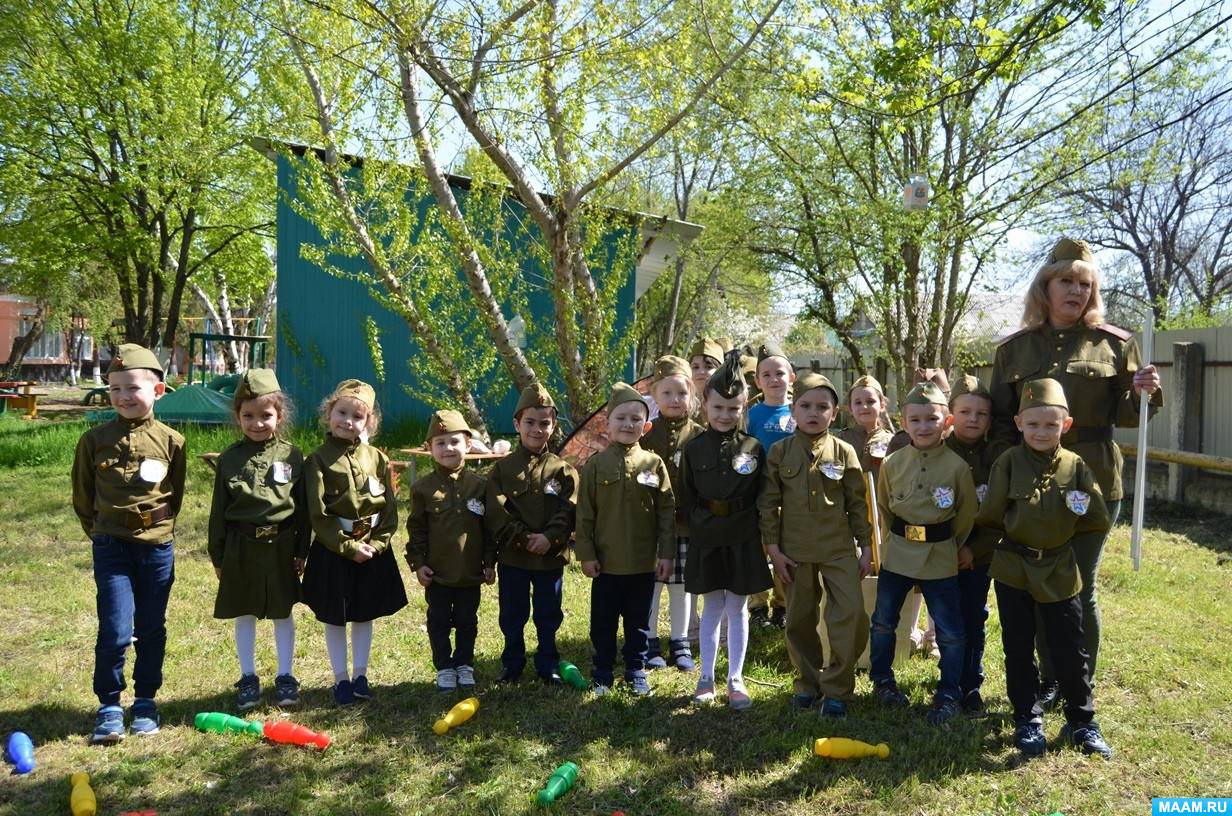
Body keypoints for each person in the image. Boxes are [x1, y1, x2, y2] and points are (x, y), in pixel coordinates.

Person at [989, 237, 1161, 704]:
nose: (1076, 291)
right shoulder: (1014, 350)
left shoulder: (1116, 344)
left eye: (1084, 284)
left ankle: (1076, 683)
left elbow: (1131, 418)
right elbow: (1000, 422)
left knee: (1075, 588)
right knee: (1038, 584)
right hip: (1028, 484)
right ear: (1045, 287)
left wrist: (1144, 391)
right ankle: (1047, 680)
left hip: (1094, 480)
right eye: (1066, 281)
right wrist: (1003, 479)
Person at [970, 378, 1113, 758]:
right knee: (1018, 648)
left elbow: (1096, 517)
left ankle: (1082, 721)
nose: (1041, 432)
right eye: (1033, 424)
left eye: (1051, 425)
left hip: (1060, 567)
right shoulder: (1008, 463)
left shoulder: (1076, 466)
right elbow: (991, 516)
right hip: (1014, 568)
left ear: (1066, 426)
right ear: (1018, 423)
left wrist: (1058, 535)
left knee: (1069, 647)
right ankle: (1027, 719)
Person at [72, 343, 186, 743]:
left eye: (132, 388)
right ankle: (108, 705)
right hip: (111, 547)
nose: (123, 396)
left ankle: (145, 701)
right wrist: (103, 532)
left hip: (156, 547)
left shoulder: (173, 441)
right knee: (116, 629)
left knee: (152, 627)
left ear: (157, 391)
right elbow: (83, 498)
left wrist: (157, 530)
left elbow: (176, 495)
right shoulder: (94, 440)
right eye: (115, 388)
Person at [759, 371, 872, 719]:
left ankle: (837, 687)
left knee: (851, 614)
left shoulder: (844, 450)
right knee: (798, 620)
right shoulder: (779, 452)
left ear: (835, 414)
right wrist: (773, 549)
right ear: (793, 410)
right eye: (805, 405)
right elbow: (768, 504)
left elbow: (857, 502)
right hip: (794, 552)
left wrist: (866, 546)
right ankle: (807, 684)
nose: (813, 412)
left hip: (838, 549)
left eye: (822, 407)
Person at [870, 381, 977, 726]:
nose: (923, 426)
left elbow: (965, 514)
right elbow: (885, 506)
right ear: (903, 423)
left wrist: (951, 544)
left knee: (950, 629)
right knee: (884, 621)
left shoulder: (957, 468)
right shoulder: (893, 462)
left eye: (932, 419)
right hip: (899, 552)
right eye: (915, 420)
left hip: (940, 554)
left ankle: (949, 692)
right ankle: (883, 682)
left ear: (947, 422)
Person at [208, 369, 310, 710]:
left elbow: (303, 510)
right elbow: (218, 511)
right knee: (245, 612)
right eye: (248, 416)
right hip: (241, 547)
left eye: (265, 415)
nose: (257, 423)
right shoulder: (228, 459)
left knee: (283, 612)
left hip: (281, 547)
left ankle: (285, 676)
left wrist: (301, 549)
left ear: (279, 416)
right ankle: (248, 677)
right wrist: (218, 557)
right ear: (238, 416)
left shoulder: (293, 456)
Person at [301, 379, 407, 705]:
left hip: (372, 549)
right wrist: (346, 546)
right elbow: (318, 515)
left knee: (364, 612)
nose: (348, 421)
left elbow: (389, 510)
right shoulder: (317, 460)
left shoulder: (377, 458)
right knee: (335, 615)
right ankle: (340, 679)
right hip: (335, 550)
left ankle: (360, 675)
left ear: (368, 423)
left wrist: (376, 544)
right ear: (328, 413)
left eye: (357, 417)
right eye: (341, 412)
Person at [679, 352, 772, 709]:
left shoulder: (753, 447)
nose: (725, 415)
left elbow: (761, 493)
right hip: (707, 535)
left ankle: (736, 678)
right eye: (718, 408)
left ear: (744, 407)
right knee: (712, 606)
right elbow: (687, 495)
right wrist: (698, 525)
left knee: (738, 608)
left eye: (733, 409)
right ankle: (707, 677)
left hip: (742, 535)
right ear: (704, 405)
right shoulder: (693, 449)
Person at [575, 382, 676, 696]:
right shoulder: (594, 466)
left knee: (638, 624)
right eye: (621, 418)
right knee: (602, 624)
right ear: (607, 424)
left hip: (642, 563)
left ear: (646, 427)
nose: (628, 424)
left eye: (635, 419)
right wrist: (586, 554)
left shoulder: (653, 464)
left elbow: (666, 511)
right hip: (606, 564)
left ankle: (635, 669)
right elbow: (585, 514)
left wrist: (666, 554)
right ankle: (603, 673)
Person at [485, 383, 578, 686]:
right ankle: (512, 664)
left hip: (549, 558)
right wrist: (525, 539)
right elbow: (497, 510)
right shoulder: (502, 470)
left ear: (553, 426)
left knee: (548, 613)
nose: (537, 429)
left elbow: (569, 508)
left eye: (544, 423)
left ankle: (547, 662)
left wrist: (549, 538)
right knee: (512, 613)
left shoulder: (563, 470)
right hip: (514, 557)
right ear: (516, 424)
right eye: (530, 422)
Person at [407, 409, 497, 693]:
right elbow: (416, 530)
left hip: (470, 572)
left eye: (455, 442)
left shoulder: (480, 486)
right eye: (440, 442)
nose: (448, 448)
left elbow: (490, 529)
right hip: (439, 573)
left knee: (468, 621)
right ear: (429, 449)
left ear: (468, 445)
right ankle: (444, 667)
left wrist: (490, 563)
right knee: (438, 621)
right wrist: (418, 564)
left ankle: (464, 664)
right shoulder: (422, 488)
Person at [641, 355, 704, 671]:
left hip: (686, 525)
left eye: (682, 393)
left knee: (681, 585)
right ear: (654, 395)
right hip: (651, 525)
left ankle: (680, 643)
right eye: (667, 393)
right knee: (652, 583)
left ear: (691, 395)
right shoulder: (645, 433)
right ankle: (649, 642)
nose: (675, 399)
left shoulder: (699, 435)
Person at [945, 373, 997, 715]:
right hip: (942, 552)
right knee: (948, 621)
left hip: (981, 554)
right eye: (965, 412)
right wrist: (953, 547)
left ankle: (971, 686)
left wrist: (973, 550)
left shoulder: (998, 457)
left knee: (973, 617)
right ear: (951, 415)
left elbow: (999, 513)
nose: (973, 419)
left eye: (980, 413)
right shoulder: (937, 451)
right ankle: (948, 684)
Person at [745, 343, 797, 629]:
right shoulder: (751, 416)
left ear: (792, 377)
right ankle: (756, 605)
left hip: (789, 494)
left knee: (784, 547)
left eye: (779, 373)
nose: (774, 379)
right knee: (758, 548)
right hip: (758, 492)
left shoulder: (800, 412)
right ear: (757, 381)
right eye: (766, 374)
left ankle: (782, 604)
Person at [838, 374, 895, 479]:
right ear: (850, 408)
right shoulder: (841, 440)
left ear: (882, 405)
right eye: (858, 402)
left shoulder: (891, 441)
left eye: (870, 401)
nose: (864, 406)